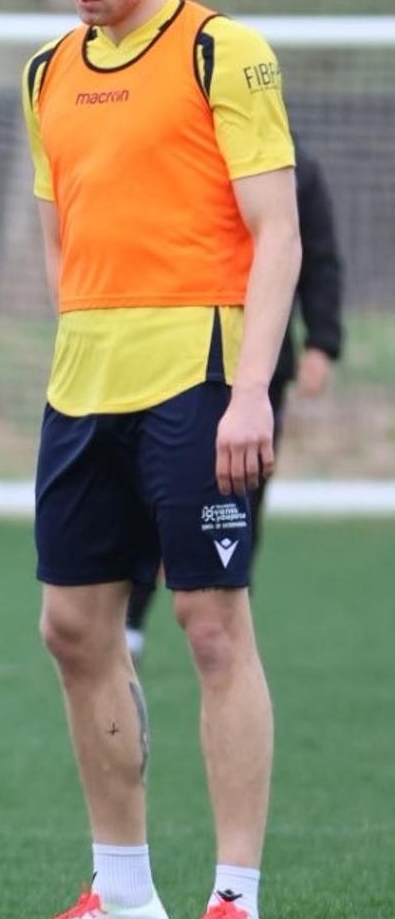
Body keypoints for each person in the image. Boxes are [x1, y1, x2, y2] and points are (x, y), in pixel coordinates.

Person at [2, 0, 301, 919]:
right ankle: (123, 893)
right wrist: (73, 338)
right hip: (84, 380)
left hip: (200, 371)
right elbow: (58, 229)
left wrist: (251, 389)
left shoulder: (226, 50)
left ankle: (235, 900)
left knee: (211, 626)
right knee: (72, 629)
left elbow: (277, 232)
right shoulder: (44, 69)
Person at [125, 138, 344, 657]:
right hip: (173, 360)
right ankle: (130, 617)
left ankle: (233, 611)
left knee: (244, 496)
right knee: (154, 492)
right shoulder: (181, 154)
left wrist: (322, 343)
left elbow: (318, 258)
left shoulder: (298, 168)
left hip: (259, 368)